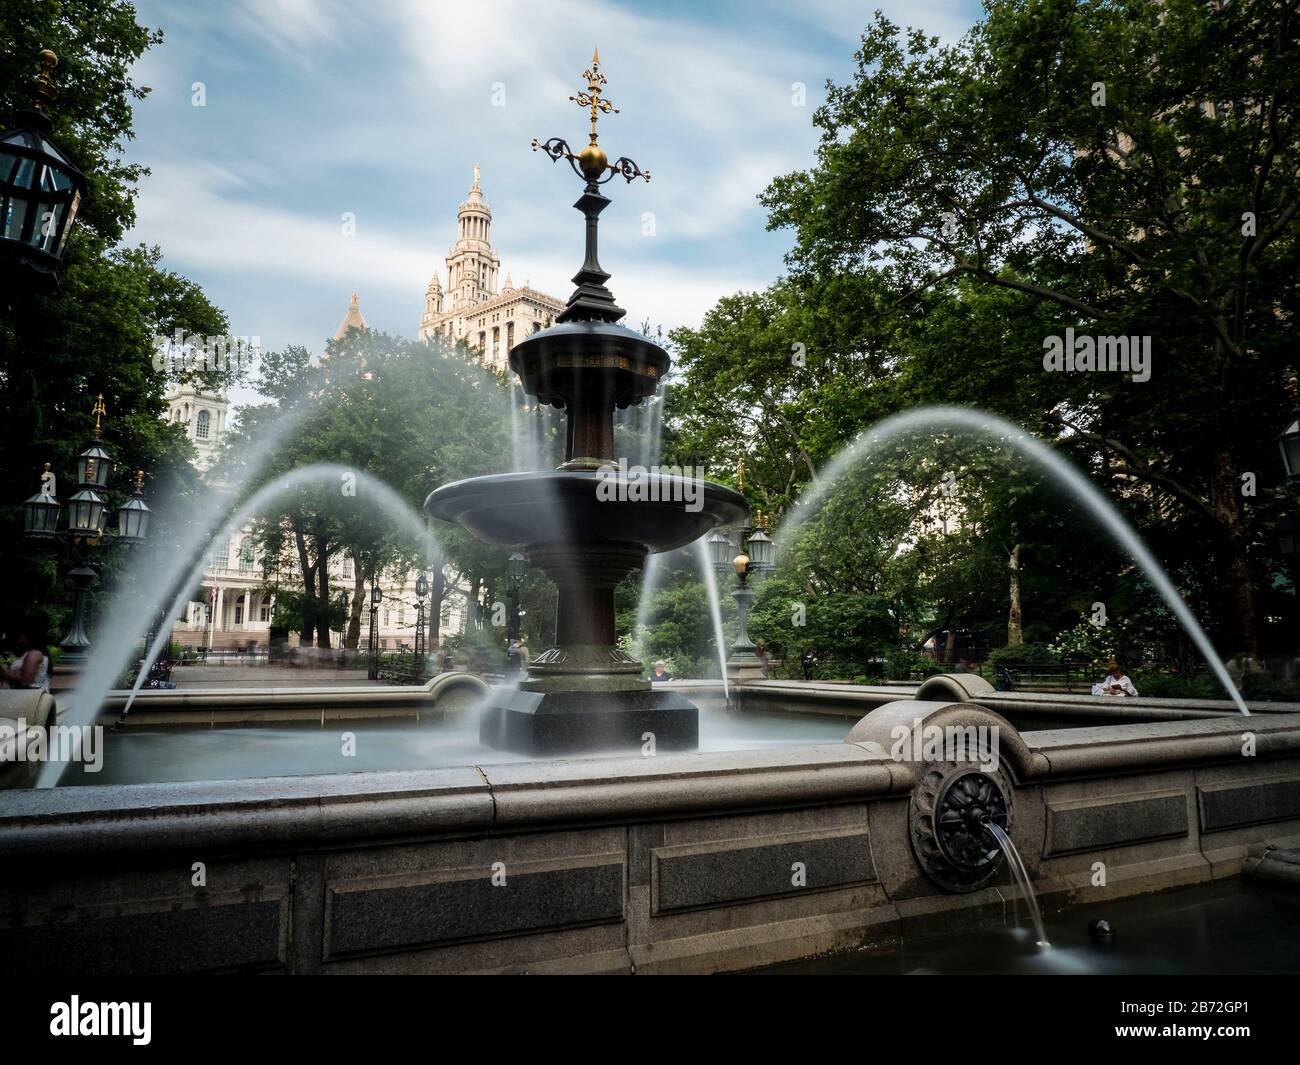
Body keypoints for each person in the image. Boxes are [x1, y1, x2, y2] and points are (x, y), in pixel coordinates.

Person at [4, 622, 50, 691]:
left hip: (28, 697)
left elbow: (25, 681)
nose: (19, 636)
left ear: (29, 636)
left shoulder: (34, 654)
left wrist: (4, 672)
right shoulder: (29, 653)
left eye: (21, 634)